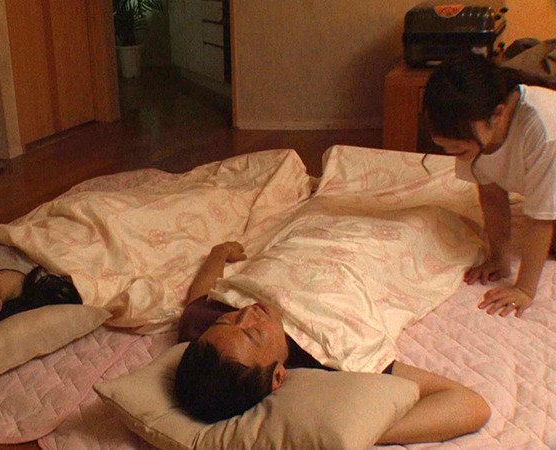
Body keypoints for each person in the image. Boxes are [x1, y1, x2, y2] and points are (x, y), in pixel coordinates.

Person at [174, 242, 491, 444]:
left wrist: (218, 254)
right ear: (278, 376)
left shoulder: (203, 332)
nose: (246, 313)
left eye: (226, 320)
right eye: (253, 333)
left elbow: (201, 294)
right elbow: (469, 405)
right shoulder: (328, 357)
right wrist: (365, 429)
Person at [423, 53, 556, 318]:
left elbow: (541, 218)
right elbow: (492, 195)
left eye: (459, 147)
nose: (453, 154)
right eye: (445, 148)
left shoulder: (543, 128)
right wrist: (498, 258)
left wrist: (524, 289)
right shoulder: (473, 127)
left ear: (498, 115)